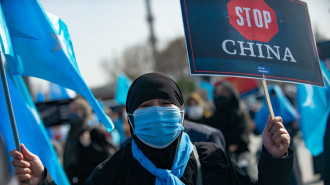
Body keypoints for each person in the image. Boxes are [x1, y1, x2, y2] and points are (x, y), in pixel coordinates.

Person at [11, 73, 293, 185]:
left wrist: (275, 158)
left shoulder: (210, 159)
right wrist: (43, 182)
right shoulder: (112, 173)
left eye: (164, 103)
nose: (157, 111)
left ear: (180, 113)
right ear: (131, 118)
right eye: (146, 106)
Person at [63, 97, 117, 185]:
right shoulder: (71, 133)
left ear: (83, 111)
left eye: (75, 110)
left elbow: (109, 155)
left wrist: (89, 145)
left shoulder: (94, 132)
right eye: (71, 110)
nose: (72, 113)